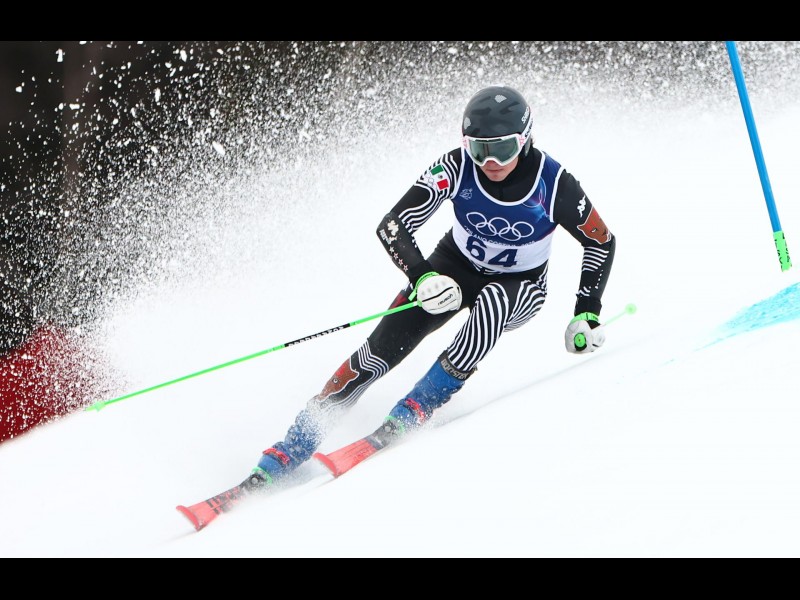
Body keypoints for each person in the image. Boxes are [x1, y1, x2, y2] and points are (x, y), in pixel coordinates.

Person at [244, 84, 616, 489]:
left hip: (520, 285)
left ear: (525, 140)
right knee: (378, 351)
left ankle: (415, 409)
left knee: (492, 302)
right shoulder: (455, 167)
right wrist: (423, 276)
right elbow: (392, 225)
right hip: (453, 266)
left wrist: (587, 311)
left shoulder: (554, 183)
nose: (490, 162)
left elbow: (600, 240)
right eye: (479, 150)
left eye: (503, 149)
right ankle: (293, 446)